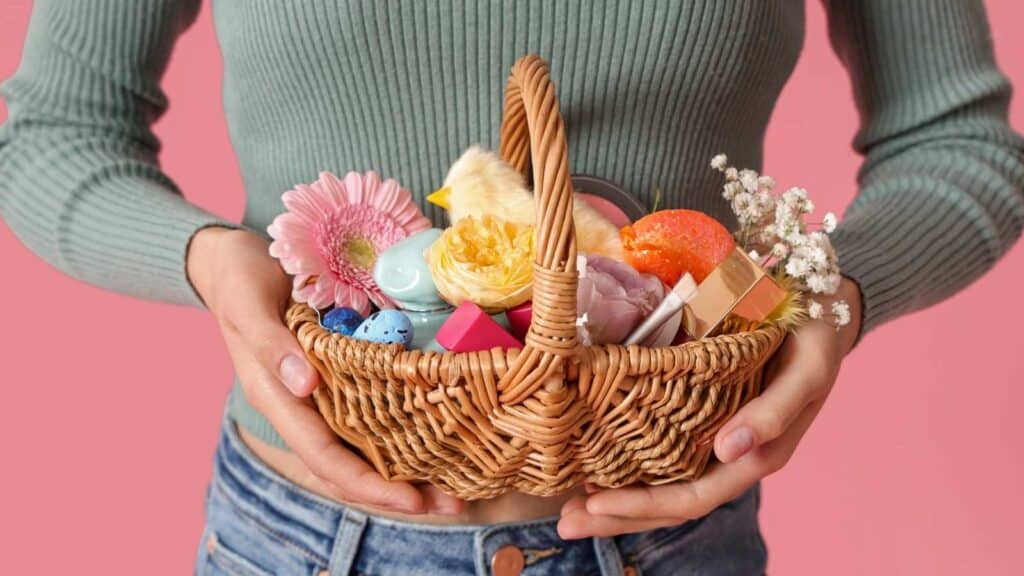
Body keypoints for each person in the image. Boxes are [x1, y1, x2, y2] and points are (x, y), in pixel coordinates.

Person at [2, 1, 1021, 574]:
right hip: (301, 539)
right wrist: (211, 259)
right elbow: (48, 133)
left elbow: (957, 143)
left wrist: (829, 299)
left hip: (666, 543)